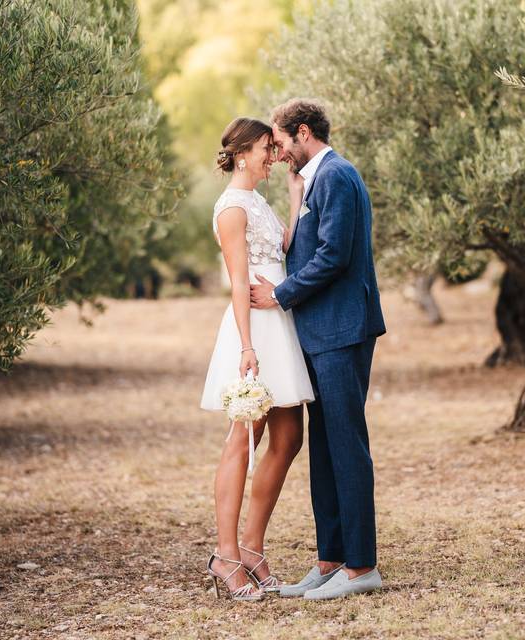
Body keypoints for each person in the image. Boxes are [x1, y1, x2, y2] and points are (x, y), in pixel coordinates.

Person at [250, 98, 386, 600]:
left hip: (342, 331)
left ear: (302, 132)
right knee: (325, 448)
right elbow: (308, 247)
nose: (280, 153)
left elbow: (333, 255)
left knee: (346, 445)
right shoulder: (314, 179)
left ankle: (362, 567)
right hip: (321, 332)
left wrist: (279, 295)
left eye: (282, 143)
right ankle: (331, 560)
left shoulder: (336, 176)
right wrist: (293, 198)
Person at [200, 117, 315, 601]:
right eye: (269, 148)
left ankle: (252, 547)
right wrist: (247, 347)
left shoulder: (258, 201)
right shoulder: (230, 209)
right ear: (244, 152)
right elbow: (237, 282)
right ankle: (225, 557)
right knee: (244, 438)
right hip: (254, 329)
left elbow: (281, 251)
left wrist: (294, 196)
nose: (275, 155)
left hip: (279, 317)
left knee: (289, 435)